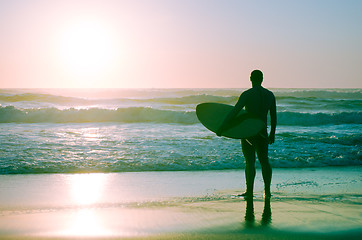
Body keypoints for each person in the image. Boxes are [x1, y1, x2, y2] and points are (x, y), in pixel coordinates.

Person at [217, 70, 276, 199]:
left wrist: (222, 126)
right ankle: (267, 191)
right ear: (262, 79)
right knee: (264, 161)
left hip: (248, 132)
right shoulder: (270, 95)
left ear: (250, 78)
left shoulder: (247, 94)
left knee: (249, 162)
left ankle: (249, 191)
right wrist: (272, 133)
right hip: (262, 131)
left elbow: (234, 112)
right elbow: (273, 116)